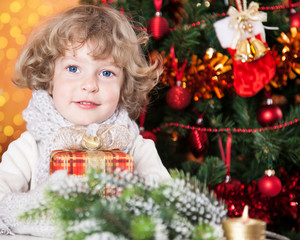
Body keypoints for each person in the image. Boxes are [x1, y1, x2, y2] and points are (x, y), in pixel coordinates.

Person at [0, 4, 170, 237]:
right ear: (50, 79)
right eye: (73, 68)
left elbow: (169, 204)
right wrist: (40, 208)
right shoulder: (30, 146)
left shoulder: (134, 146)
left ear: (124, 87)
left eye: (106, 73)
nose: (89, 85)